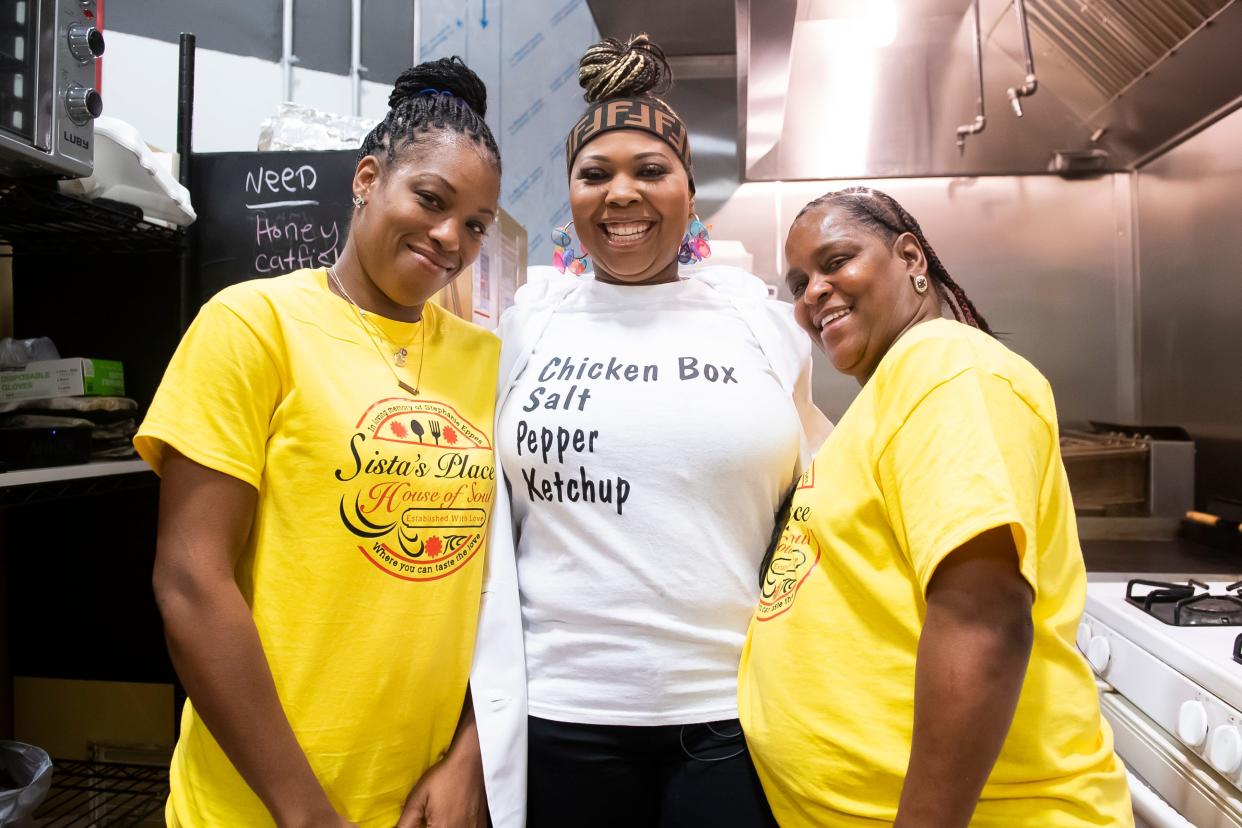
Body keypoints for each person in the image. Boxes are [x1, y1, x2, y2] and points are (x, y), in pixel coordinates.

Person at [468, 33, 831, 828]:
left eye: (651, 171)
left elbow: (833, 488)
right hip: (558, 711)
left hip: (736, 712)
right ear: (570, 194)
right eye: (595, 174)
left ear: (689, 190)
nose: (621, 193)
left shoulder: (765, 326)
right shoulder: (524, 323)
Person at [135, 57, 503, 828]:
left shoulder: (490, 364)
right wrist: (307, 815)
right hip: (259, 809)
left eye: (474, 224)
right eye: (431, 200)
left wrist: (471, 754)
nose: (449, 238)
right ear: (368, 178)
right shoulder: (251, 324)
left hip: (421, 805)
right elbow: (190, 583)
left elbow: (502, 597)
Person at [738, 187, 1135, 827]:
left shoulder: (947, 367)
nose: (812, 292)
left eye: (836, 261)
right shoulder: (890, 392)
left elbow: (984, 616)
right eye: (799, 281)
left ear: (910, 256)